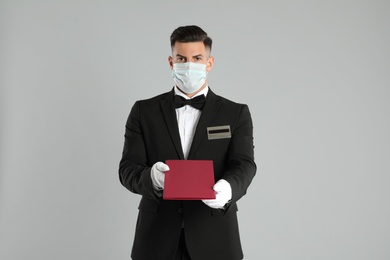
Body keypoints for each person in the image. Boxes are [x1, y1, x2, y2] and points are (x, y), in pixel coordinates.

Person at [119, 25, 256, 260]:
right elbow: (127, 169)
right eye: (181, 58)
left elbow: (244, 164)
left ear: (209, 63)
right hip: (156, 238)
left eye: (197, 58)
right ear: (171, 62)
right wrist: (152, 178)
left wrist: (228, 189)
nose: (189, 65)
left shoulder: (235, 113)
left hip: (215, 237)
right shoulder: (144, 111)